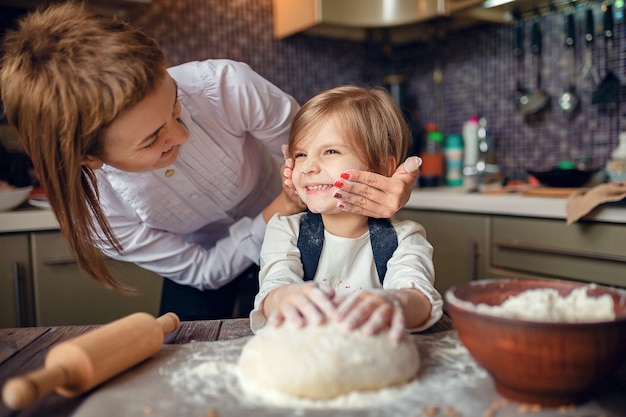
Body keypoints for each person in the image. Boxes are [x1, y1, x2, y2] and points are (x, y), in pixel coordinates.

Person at [0, 3, 420, 321]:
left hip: (303, 229)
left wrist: (379, 182)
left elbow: (320, 148)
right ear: (89, 158)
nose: (181, 135)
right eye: (153, 140)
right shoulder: (97, 213)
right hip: (208, 263)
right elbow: (202, 270)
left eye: (177, 108)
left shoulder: (223, 86)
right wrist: (280, 208)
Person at [251, 85, 443, 339]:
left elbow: (421, 300)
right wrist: (285, 298)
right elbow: (273, 289)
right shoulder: (285, 230)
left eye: (331, 151)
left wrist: (394, 304)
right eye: (301, 154)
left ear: (382, 167)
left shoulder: (404, 238)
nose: (308, 166)